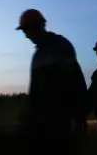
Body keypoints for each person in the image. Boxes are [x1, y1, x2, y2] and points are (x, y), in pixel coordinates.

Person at [16, 9, 88, 155]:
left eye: (26, 30)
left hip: (60, 122)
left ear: (36, 26)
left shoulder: (60, 46)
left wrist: (79, 117)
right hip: (42, 123)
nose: (26, 35)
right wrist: (28, 116)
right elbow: (35, 91)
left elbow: (75, 82)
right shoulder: (38, 54)